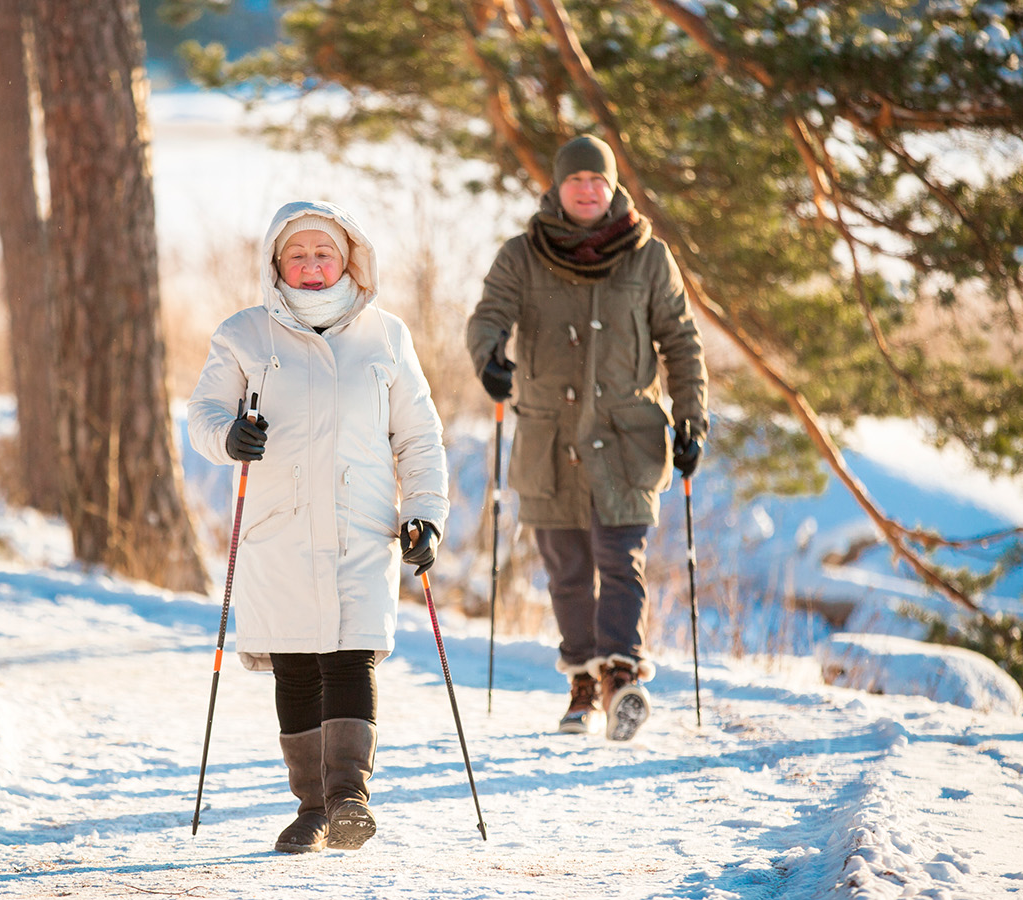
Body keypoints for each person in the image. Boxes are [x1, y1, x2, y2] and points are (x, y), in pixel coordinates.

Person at [187, 200, 450, 853]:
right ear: (276, 264)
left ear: (347, 259)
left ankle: (349, 798)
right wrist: (231, 437)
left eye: (322, 253)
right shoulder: (244, 334)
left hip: (361, 525)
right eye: (297, 254)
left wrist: (425, 514)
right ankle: (313, 808)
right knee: (298, 663)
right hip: (278, 526)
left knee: (350, 654)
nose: (311, 265)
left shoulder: (386, 336)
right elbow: (203, 418)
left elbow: (418, 436)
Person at [466, 134, 708, 742]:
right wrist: (489, 357)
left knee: (619, 559)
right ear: (558, 186)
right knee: (567, 569)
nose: (586, 190)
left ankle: (622, 676)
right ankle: (581, 683)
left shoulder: (649, 258)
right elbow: (489, 315)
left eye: (596, 181)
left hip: (626, 438)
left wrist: (691, 417)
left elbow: (680, 341)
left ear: (612, 187)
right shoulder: (522, 255)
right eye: (576, 180)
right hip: (548, 439)